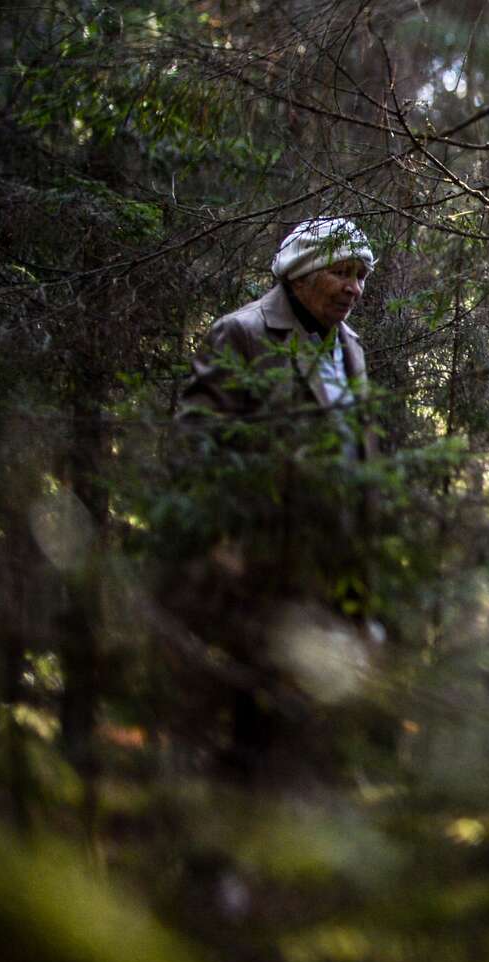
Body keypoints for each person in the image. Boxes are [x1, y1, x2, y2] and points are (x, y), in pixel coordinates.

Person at [171, 217, 384, 782]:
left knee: (321, 719)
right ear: (302, 273)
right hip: (263, 569)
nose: (354, 288)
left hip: (335, 566)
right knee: (256, 720)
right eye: (341, 273)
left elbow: (357, 454)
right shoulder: (241, 333)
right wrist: (225, 544)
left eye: (361, 276)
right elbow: (198, 449)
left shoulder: (351, 347)